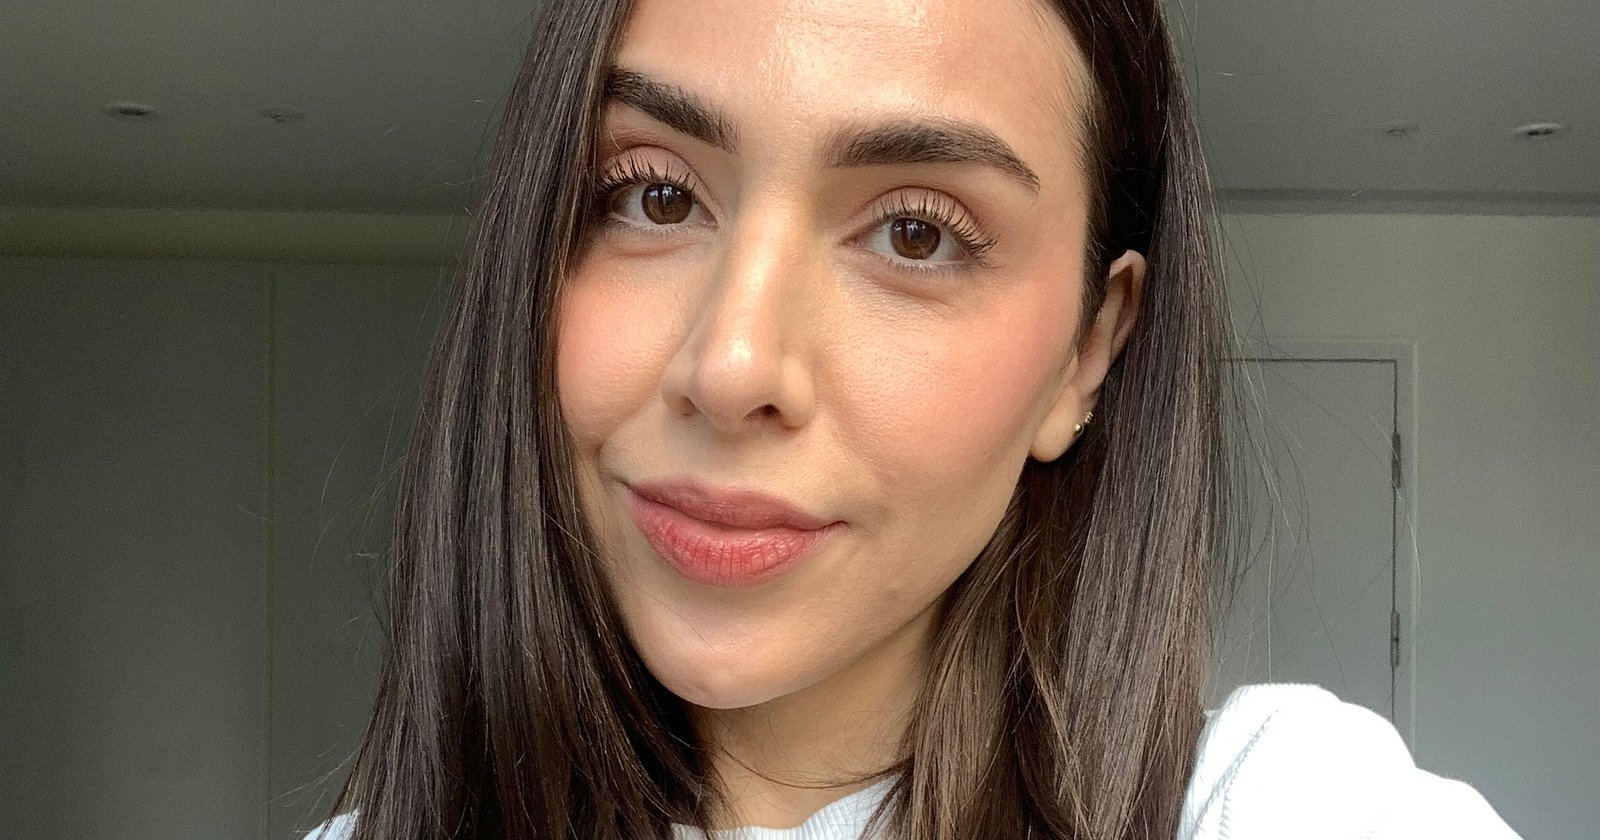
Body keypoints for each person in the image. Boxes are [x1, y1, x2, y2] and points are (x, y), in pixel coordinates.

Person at [306, 0, 1524, 837]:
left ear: (1087, 351)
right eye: (656, 197)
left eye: (915, 233)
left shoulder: (1287, 804)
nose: (732, 367)